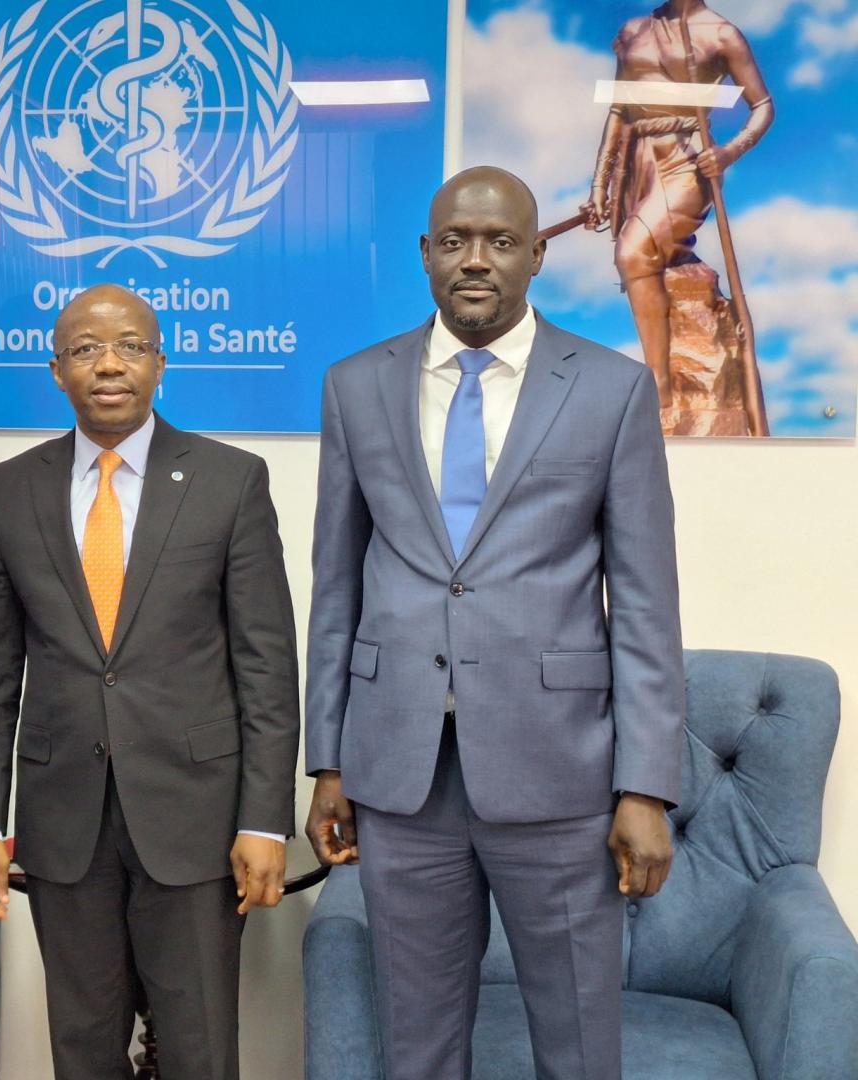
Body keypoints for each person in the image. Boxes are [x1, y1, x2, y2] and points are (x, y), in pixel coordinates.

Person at [305, 167, 684, 1080]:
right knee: (419, 1049)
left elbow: (644, 601)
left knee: (579, 1045)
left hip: (559, 772)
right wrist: (327, 760)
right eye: (457, 241)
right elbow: (335, 585)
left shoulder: (610, 388)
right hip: (401, 778)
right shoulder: (356, 385)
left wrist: (646, 786)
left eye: (501, 241)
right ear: (427, 253)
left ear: (538, 255)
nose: (477, 260)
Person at [0, 284, 300, 1080]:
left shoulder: (230, 480)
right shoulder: (11, 489)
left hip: (198, 818)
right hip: (63, 823)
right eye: (85, 349)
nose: (108, 364)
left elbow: (266, 666)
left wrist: (265, 821)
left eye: (130, 346)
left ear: (161, 362)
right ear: (55, 371)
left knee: (198, 1047)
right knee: (82, 1046)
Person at [583, 0, 773, 409]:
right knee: (648, 260)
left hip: (687, 160)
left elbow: (762, 107)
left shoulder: (722, 34)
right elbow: (618, 109)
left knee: (633, 254)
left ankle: (660, 391)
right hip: (638, 160)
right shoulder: (636, 28)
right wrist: (600, 185)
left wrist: (728, 152)